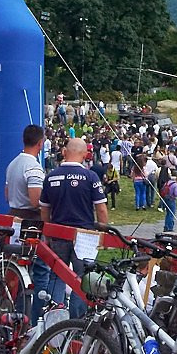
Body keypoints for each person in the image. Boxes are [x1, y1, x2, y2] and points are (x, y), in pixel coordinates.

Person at [40, 137, 108, 319]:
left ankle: (55, 321)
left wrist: (47, 233)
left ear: (64, 152)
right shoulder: (90, 176)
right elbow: (101, 208)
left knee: (57, 277)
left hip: (57, 234)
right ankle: (77, 322)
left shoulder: (51, 176)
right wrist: (104, 234)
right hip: (84, 236)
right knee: (82, 278)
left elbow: (44, 209)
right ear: (86, 154)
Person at [4, 125, 51, 322]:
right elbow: (35, 200)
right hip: (30, 224)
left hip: (14, 217)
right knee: (38, 271)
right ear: (40, 143)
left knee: (15, 271)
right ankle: (33, 318)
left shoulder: (13, 163)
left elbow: (7, 195)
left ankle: (14, 315)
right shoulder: (32, 167)